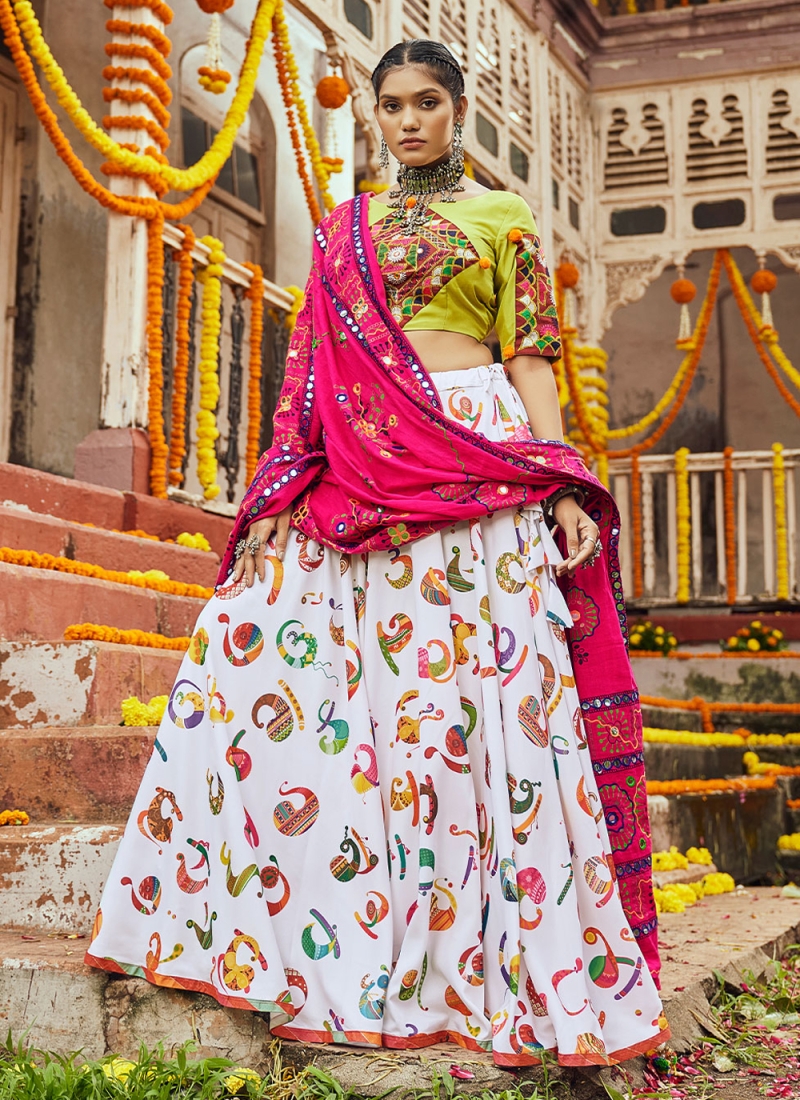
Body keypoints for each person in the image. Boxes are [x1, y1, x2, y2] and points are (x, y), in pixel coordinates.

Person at [86, 39, 668, 1067]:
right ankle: (301, 932)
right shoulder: (343, 229)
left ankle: (484, 952)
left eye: (426, 103)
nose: (406, 121)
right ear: (376, 113)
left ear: (456, 110)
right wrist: (275, 491)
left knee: (471, 717)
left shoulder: (500, 220)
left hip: (476, 459)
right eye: (391, 104)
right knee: (299, 672)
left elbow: (529, 353)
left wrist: (561, 475)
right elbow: (309, 371)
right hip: (360, 464)